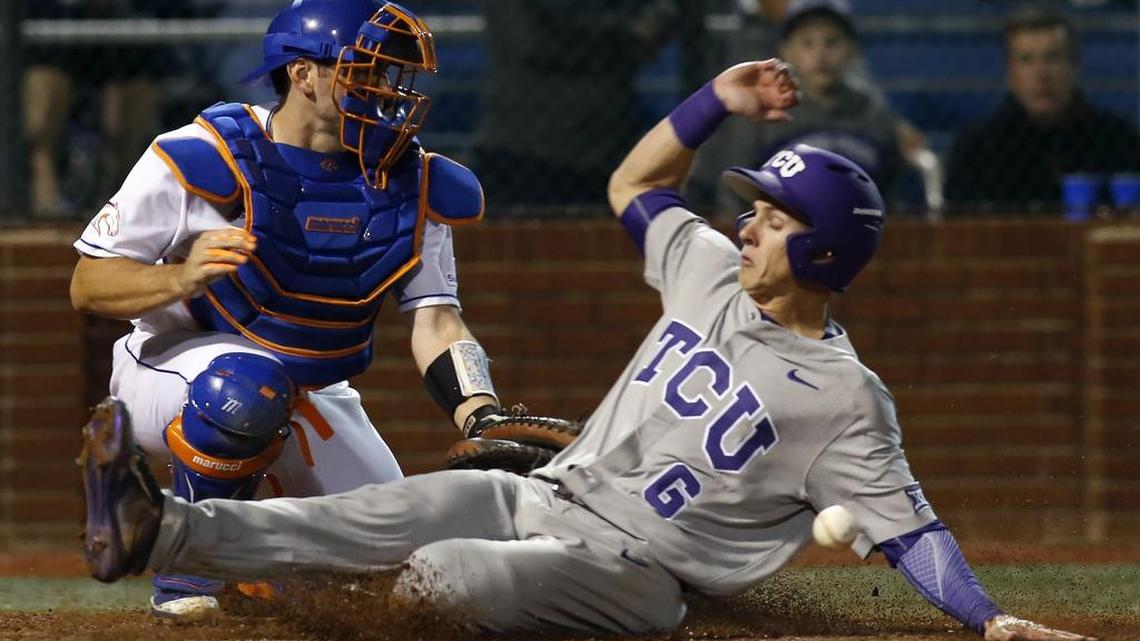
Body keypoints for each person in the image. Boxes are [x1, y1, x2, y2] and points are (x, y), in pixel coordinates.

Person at [78, 58, 1094, 641]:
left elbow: (913, 531)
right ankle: (157, 529)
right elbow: (636, 185)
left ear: (823, 248)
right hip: (545, 495)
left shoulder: (845, 396)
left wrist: (989, 620)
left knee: (447, 575)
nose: (746, 225)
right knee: (368, 512)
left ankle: (327, 617)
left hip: (639, 575)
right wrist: (713, 104)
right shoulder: (704, 265)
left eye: (774, 218)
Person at [69, 0, 570, 623]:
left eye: (391, 75)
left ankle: (268, 577)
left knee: (411, 572)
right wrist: (181, 276)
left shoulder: (407, 178)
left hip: (315, 393)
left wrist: (480, 413)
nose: (388, 90)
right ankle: (186, 582)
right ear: (305, 75)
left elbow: (437, 319)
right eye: (369, 70)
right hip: (173, 372)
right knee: (247, 388)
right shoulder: (204, 153)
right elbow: (89, 285)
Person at [696, 0, 943, 219]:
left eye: (832, 42)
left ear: (852, 50)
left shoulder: (873, 113)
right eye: (807, 44)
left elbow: (894, 185)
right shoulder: (767, 114)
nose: (820, 54)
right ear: (786, 51)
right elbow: (734, 187)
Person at [469, 0, 690, 212]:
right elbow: (534, 40)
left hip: (598, 142)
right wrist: (628, 33)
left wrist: (646, 26)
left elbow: (659, 18)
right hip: (525, 142)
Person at [945, 8, 1140, 213]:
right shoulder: (978, 148)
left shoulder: (1117, 139)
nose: (1041, 73)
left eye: (1052, 57)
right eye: (1027, 60)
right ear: (1010, 74)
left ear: (1074, 67)